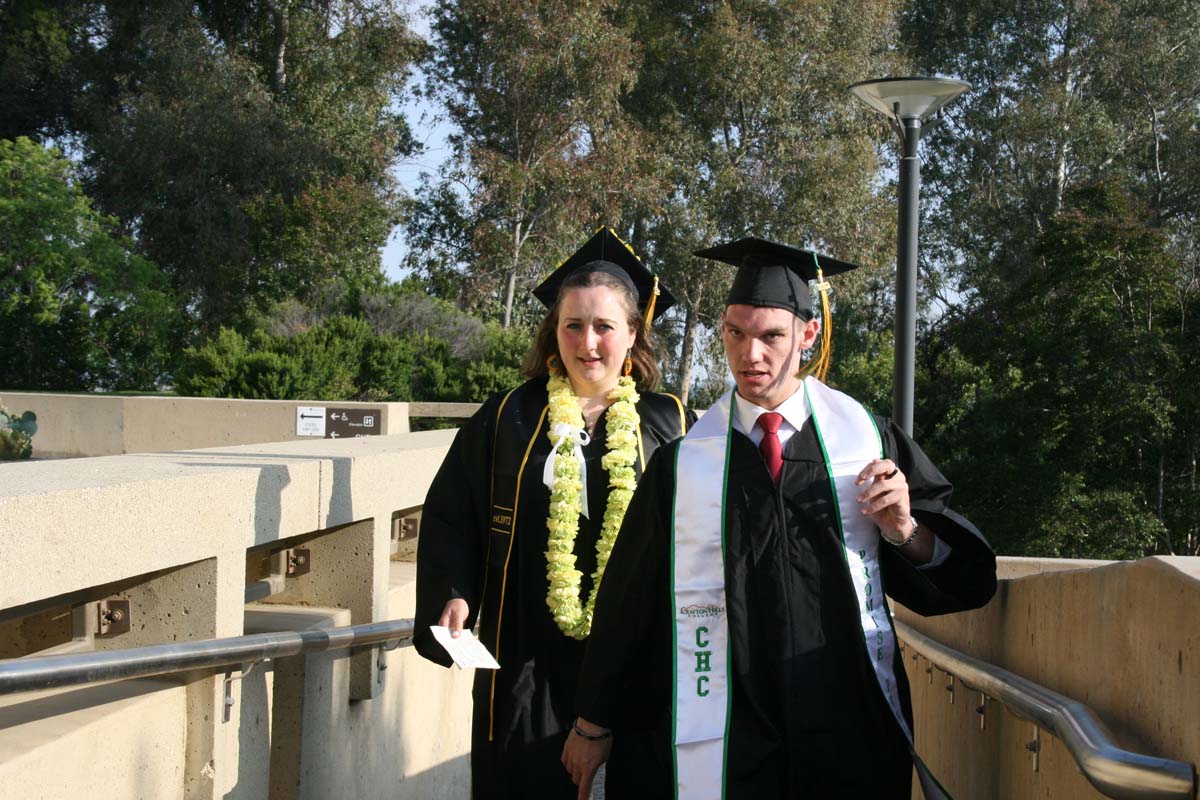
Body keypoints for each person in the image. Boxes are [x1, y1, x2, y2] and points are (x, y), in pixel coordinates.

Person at [562, 237, 997, 799]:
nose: (751, 356)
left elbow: (964, 579)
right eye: (736, 334)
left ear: (807, 336)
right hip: (726, 733)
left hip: (847, 731)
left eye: (771, 336)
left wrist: (905, 533)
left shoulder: (865, 443)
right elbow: (629, 599)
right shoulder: (686, 463)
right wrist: (593, 721)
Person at [414, 227, 696, 800]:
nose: (587, 342)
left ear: (632, 333)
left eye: (603, 326)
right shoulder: (509, 417)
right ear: (554, 330)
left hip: (638, 666)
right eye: (573, 325)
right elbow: (451, 515)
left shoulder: (672, 423)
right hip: (527, 663)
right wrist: (455, 591)